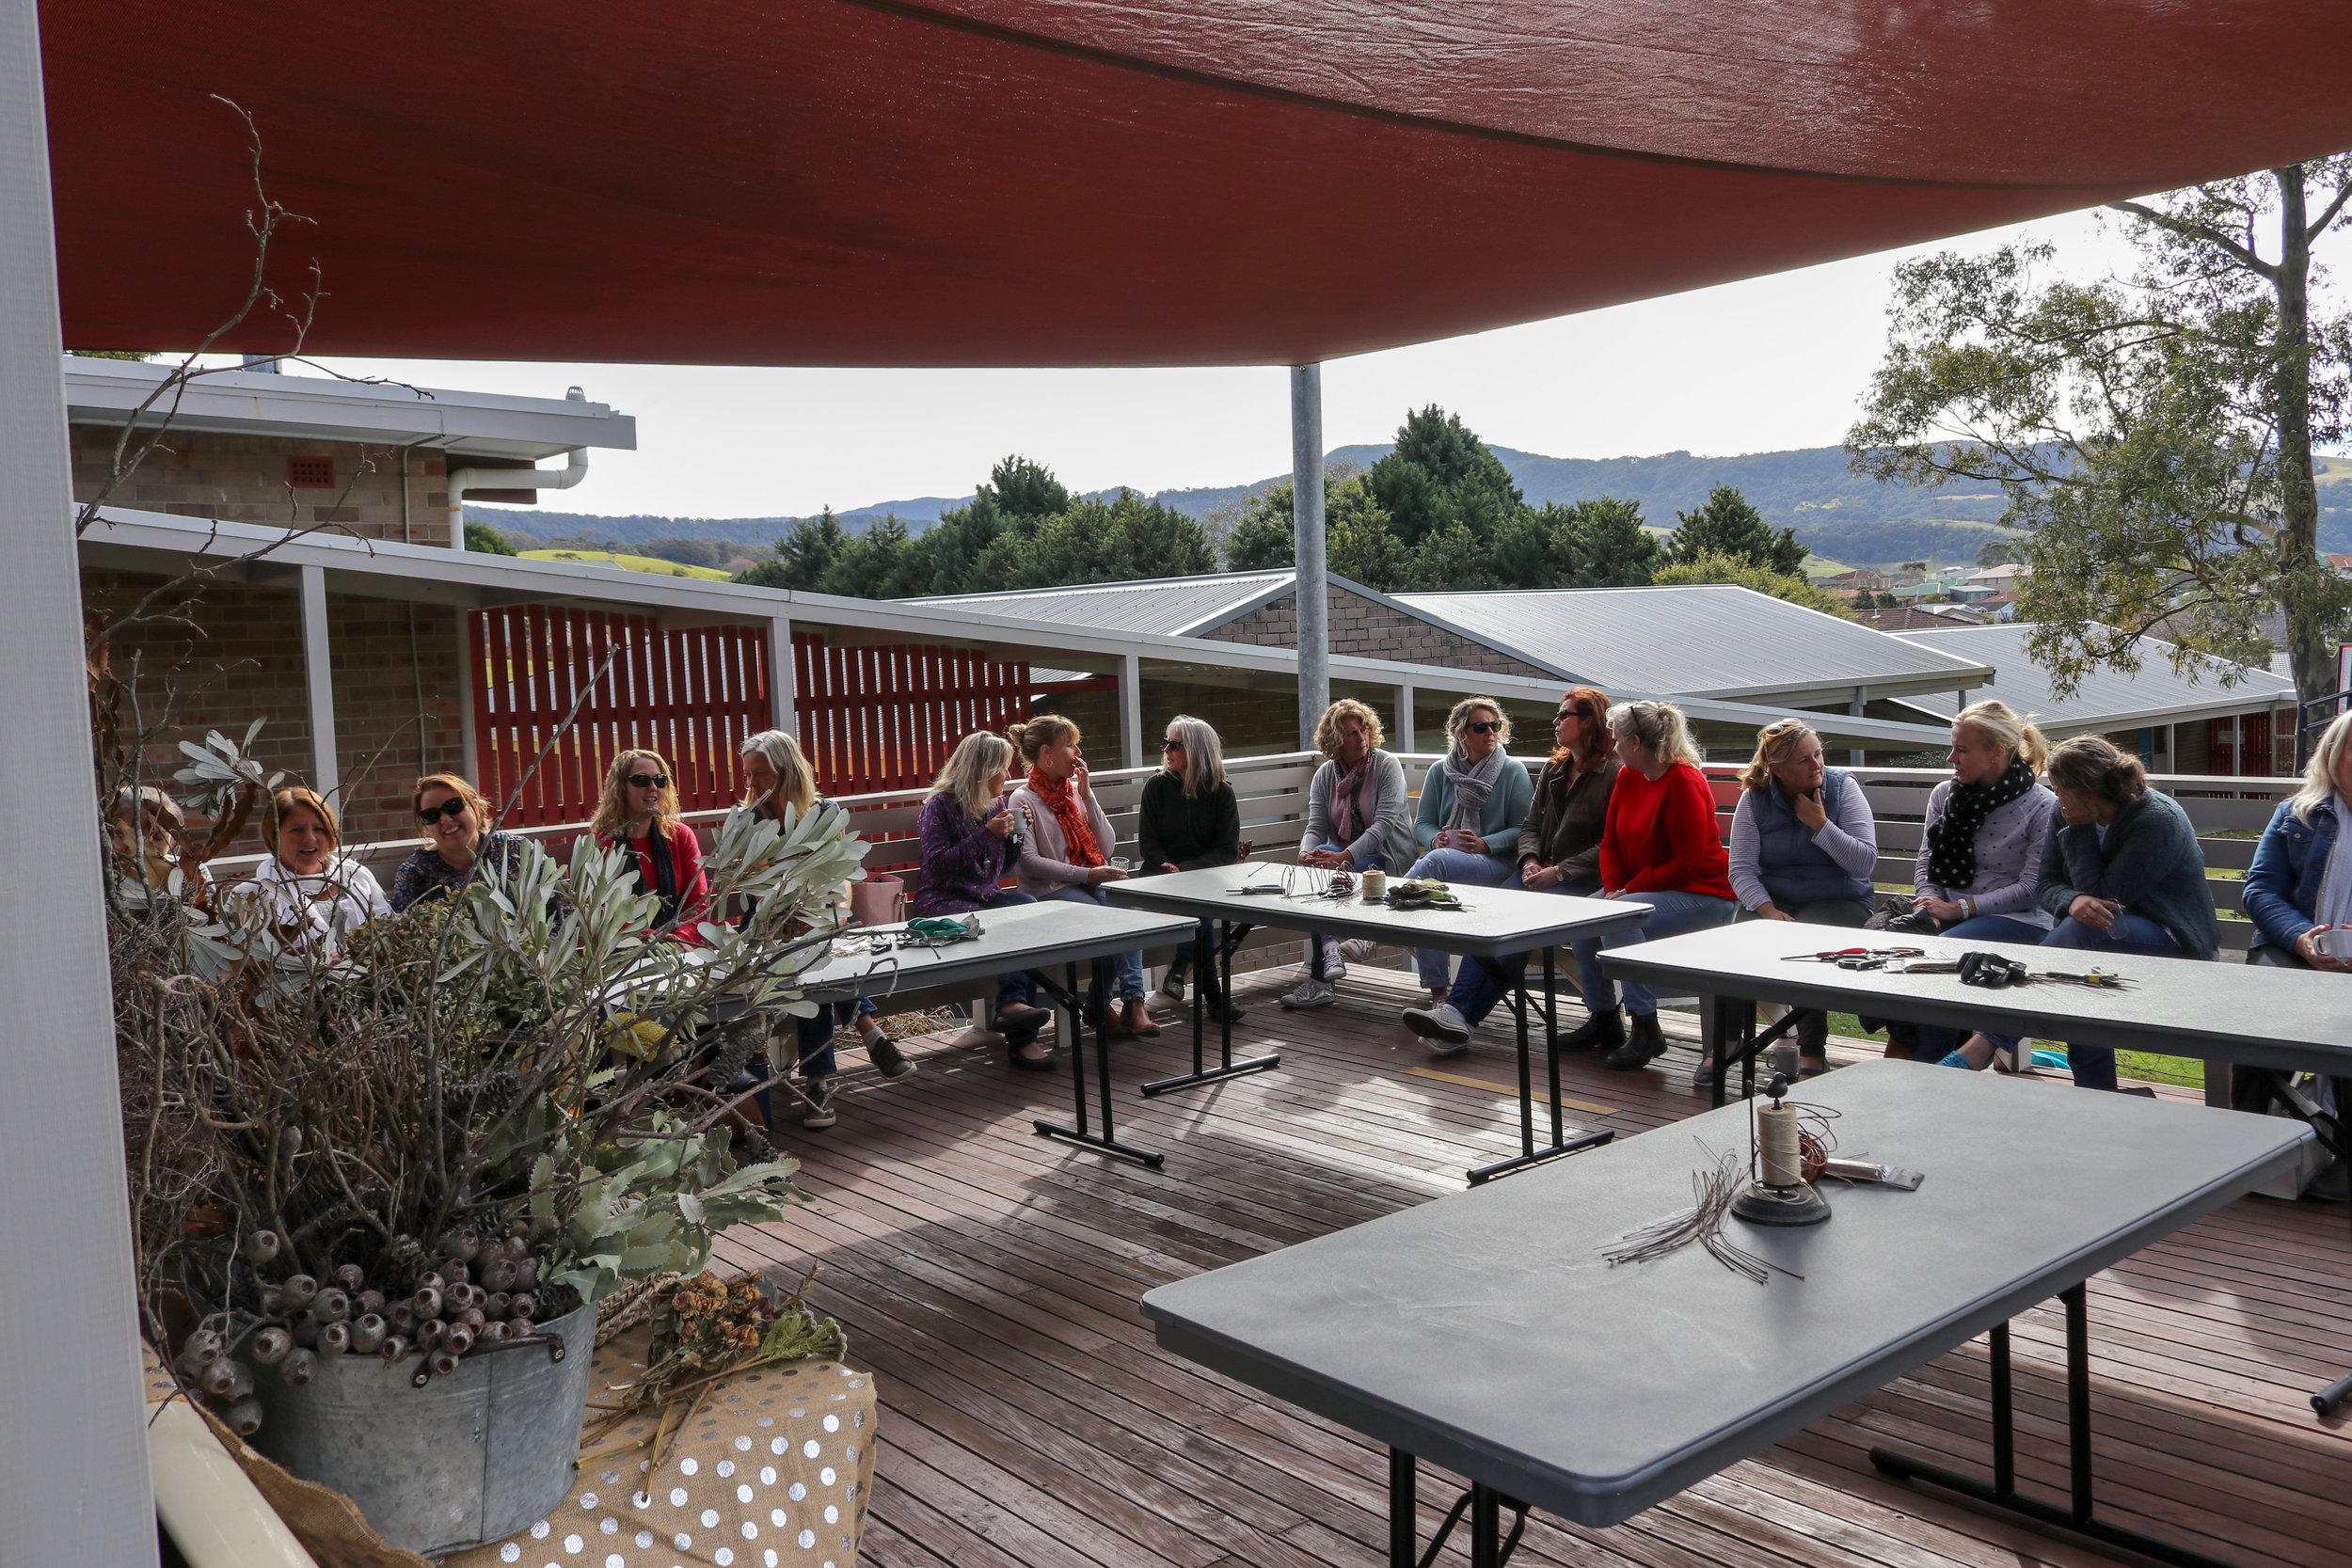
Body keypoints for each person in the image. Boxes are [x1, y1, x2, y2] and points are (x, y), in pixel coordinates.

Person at [1940, 736, 2217, 1089]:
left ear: (2087, 792)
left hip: (2175, 938)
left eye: (2058, 788)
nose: (2055, 797)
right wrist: (2070, 901)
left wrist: (2082, 831)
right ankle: (2099, 1093)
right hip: (2098, 936)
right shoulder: (2066, 810)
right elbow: (2047, 885)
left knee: (2082, 936)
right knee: (2077, 966)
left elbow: (2104, 899)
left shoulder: (2156, 820)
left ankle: (1984, 1044)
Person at [1401, 687, 1618, 1055]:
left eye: (1564, 715)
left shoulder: (1614, 774)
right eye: (1480, 728)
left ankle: (1459, 1013)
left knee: (1518, 926)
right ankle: (1457, 1017)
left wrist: (1560, 871)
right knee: (1496, 923)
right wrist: (1531, 860)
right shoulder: (1555, 768)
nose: (1556, 721)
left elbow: (1612, 844)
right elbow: (1531, 826)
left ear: (1589, 722)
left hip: (1584, 880)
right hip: (1539, 872)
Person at [738, 729, 910, 1131]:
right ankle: (866, 1036)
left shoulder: (824, 812)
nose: (752, 784)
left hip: (818, 918)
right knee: (810, 963)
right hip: (765, 924)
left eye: (760, 773)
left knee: (814, 957)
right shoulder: (748, 820)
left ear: (786, 771)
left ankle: (820, 1083)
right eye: (747, 774)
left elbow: (842, 875)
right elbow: (751, 889)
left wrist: (840, 910)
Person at [1568, 701, 1739, 1073]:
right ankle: (1604, 1020)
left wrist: (1628, 893)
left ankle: (1646, 1027)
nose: (1613, 748)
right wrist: (1615, 887)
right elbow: (1610, 840)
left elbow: (1687, 863)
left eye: (1618, 741)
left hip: (1702, 894)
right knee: (1585, 919)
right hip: (1640, 889)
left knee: (1619, 919)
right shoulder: (1629, 776)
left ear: (1636, 743)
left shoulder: (1684, 782)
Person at [1892, 699, 2058, 1063]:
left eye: (1962, 750)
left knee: (1940, 954)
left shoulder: (2040, 806)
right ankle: (1912, 1055)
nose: (1952, 759)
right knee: (1894, 947)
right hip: (1948, 913)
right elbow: (1926, 863)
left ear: (1996, 753)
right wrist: (1929, 905)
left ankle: (1930, 1064)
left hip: (2019, 920)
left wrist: (1961, 909)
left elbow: (2033, 888)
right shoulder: (1944, 795)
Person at [1724, 718, 1880, 1078]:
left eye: (1818, 755)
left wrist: (1820, 825)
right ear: (1776, 768)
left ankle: (1811, 1052)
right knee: (1730, 943)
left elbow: (1864, 862)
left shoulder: (1843, 788)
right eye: (1804, 760)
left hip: (1840, 897)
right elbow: (1741, 868)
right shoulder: (1756, 797)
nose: (1816, 766)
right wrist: (1765, 909)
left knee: (1809, 937)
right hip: (1776, 901)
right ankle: (1724, 1049)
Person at [2237, 709, 2352, 1190]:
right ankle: (2243, 1140)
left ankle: (2343, 1149)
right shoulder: (2297, 814)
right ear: (2332, 753)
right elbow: (2260, 890)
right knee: (2267, 995)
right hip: (2298, 943)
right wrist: (2303, 939)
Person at [1008, 714, 1157, 1037]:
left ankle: (1132, 1003)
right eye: (1070, 745)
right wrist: (1086, 875)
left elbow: (1106, 844)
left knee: (1128, 912)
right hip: (1049, 890)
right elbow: (1028, 863)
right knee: (1104, 919)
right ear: (1047, 753)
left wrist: (1087, 794)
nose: (1077, 752)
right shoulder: (1022, 799)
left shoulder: (1074, 790)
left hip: (1088, 879)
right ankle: (1103, 1006)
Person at [913, 730, 1056, 1069]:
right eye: (1001, 769)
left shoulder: (997, 805)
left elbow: (1002, 868)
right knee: (1000, 924)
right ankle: (1021, 1035)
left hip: (984, 901)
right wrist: (986, 834)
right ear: (981, 770)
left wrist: (1016, 838)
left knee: (1026, 908)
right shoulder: (940, 806)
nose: (1007, 777)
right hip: (944, 903)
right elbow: (937, 868)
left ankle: (1013, 1011)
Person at [1281, 698, 1413, 1009]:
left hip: (1388, 859)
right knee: (1319, 864)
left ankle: (1321, 977)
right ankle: (1330, 950)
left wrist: (1344, 857)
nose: (1362, 738)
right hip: (1346, 860)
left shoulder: (1385, 765)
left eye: (1364, 730)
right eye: (1352, 734)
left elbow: (1383, 826)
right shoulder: (1326, 775)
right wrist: (1306, 854)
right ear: (1336, 742)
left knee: (1331, 869)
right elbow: (1315, 826)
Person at [1138, 714, 1246, 1024]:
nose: (1167, 750)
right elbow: (1148, 843)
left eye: (1175, 744)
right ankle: (1213, 997)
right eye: (1166, 743)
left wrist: (1186, 870)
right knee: (1200, 911)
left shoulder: (1221, 793)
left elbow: (1226, 850)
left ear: (1197, 750)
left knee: (1199, 905)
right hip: (1160, 878)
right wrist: (1169, 869)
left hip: (1203, 878)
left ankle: (1180, 968)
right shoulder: (1156, 787)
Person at [230, 786, 390, 955]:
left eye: (319, 829)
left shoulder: (358, 879)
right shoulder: (250, 896)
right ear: (275, 836)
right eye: (296, 830)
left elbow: (391, 941)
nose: (309, 838)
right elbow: (241, 967)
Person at [590, 748, 709, 940]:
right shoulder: (604, 843)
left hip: (681, 947)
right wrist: (653, 942)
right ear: (621, 788)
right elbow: (606, 912)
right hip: (626, 952)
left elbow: (698, 900)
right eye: (641, 780)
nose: (653, 787)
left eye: (660, 780)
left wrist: (681, 938)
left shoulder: (680, 836)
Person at [389, 773, 527, 911]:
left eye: (453, 806)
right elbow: (402, 928)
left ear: (475, 806)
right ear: (426, 827)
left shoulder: (516, 850)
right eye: (431, 816)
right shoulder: (416, 872)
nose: (445, 819)